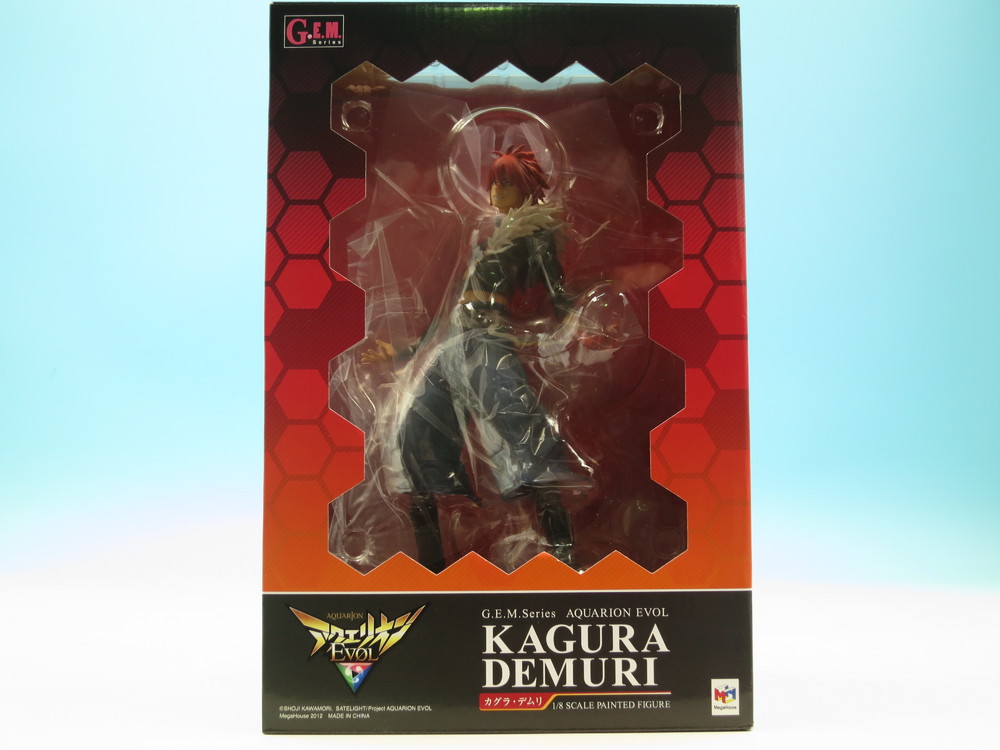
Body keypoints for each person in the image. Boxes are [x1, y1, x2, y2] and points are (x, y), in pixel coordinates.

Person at [363, 145, 588, 572]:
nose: (496, 191)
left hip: (487, 345)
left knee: (526, 442)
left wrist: (582, 322)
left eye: (506, 183)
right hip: (451, 344)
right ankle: (431, 566)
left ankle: (563, 554)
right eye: (494, 182)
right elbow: (449, 310)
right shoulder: (482, 239)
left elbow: (557, 291)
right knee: (414, 437)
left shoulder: (535, 233)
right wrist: (406, 351)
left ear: (525, 188)